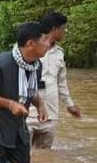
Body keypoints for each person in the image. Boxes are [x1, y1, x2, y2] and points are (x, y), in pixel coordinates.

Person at [0, 22, 50, 163]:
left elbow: (31, 90)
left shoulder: (36, 65)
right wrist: (10, 104)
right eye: (45, 39)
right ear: (31, 44)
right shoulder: (1, 63)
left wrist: (40, 105)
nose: (48, 44)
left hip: (17, 131)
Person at [27, 12, 82, 148]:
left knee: (45, 158)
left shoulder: (59, 53)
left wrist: (69, 104)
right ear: (54, 29)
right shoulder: (29, 48)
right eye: (63, 28)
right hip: (28, 114)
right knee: (21, 158)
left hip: (51, 113)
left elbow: (61, 82)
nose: (65, 32)